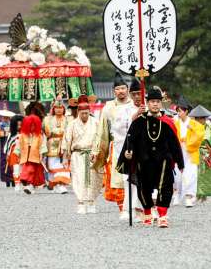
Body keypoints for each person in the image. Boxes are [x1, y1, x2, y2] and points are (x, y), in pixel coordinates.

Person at [118, 88, 184, 228]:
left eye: (158, 102)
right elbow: (130, 140)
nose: (155, 104)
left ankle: (162, 215)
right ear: (147, 103)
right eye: (152, 101)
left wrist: (180, 162)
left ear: (161, 103)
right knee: (144, 187)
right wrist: (128, 153)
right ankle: (147, 212)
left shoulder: (168, 122)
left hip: (164, 160)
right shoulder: (138, 122)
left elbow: (175, 144)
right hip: (144, 160)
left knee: (165, 187)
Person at [91, 73, 141, 220]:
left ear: (127, 90)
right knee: (119, 178)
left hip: (135, 146)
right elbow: (102, 131)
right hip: (117, 147)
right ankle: (123, 209)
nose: (121, 91)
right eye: (118, 89)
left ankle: (136, 209)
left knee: (135, 178)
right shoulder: (108, 107)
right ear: (114, 91)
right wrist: (97, 150)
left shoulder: (135, 105)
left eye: (123, 88)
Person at [63, 96, 103, 214]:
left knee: (93, 179)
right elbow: (67, 140)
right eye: (82, 113)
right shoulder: (72, 124)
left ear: (89, 111)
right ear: (78, 112)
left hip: (93, 154)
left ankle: (91, 202)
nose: (84, 115)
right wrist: (66, 156)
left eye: (86, 113)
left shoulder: (96, 122)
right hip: (78, 154)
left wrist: (98, 153)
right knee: (79, 178)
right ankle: (81, 202)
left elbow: (100, 139)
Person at [173, 96, 204, 208]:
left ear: (186, 111)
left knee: (190, 174)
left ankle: (189, 197)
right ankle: (176, 193)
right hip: (178, 150)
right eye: (177, 111)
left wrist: (192, 130)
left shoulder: (194, 124)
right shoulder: (175, 122)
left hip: (190, 151)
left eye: (180, 111)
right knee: (177, 174)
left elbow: (200, 134)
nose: (178, 113)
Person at [190, 105, 211, 203]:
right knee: (195, 174)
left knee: (205, 176)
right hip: (195, 153)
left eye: (202, 118)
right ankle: (195, 194)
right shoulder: (191, 128)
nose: (200, 120)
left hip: (208, 153)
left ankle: (203, 195)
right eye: (197, 118)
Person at [43, 98, 72, 194]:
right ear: (53, 108)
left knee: (64, 165)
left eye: (61, 108)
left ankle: (62, 184)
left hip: (65, 144)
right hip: (52, 144)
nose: (59, 110)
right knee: (52, 165)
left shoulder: (69, 119)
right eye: (57, 108)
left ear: (64, 109)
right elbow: (45, 133)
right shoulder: (47, 119)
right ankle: (55, 184)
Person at [16, 114, 47, 194]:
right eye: (30, 125)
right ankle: (28, 184)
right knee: (30, 171)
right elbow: (18, 145)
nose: (32, 127)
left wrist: (41, 155)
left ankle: (28, 184)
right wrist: (17, 153)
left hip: (35, 156)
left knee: (32, 171)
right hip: (25, 155)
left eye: (33, 125)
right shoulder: (22, 135)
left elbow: (42, 146)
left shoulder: (39, 136)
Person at [4, 115, 24, 190]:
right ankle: (17, 183)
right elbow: (8, 144)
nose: (19, 126)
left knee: (22, 168)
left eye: (20, 125)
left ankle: (22, 183)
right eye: (17, 125)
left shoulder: (25, 133)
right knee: (16, 168)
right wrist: (7, 154)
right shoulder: (11, 134)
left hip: (23, 153)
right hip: (13, 153)